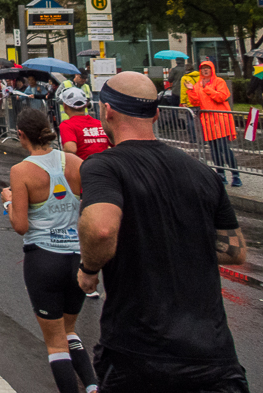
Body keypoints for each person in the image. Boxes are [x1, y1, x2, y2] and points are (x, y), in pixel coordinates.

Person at [76, 71, 248, 392]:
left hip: (140, 356)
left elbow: (100, 229)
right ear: (156, 113)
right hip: (213, 357)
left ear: (107, 111)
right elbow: (234, 250)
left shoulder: (104, 166)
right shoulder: (202, 172)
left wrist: (88, 271)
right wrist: (177, 238)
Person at [0, 109, 97, 393]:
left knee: (56, 343)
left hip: (43, 258)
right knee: (69, 331)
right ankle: (92, 387)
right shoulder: (76, 163)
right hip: (78, 259)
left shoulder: (21, 171)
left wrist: (7, 202)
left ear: (21, 135)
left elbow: (20, 225)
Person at [188, 59, 241, 187]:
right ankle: (220, 174)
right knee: (214, 149)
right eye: (202, 68)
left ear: (212, 69)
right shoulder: (198, 84)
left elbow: (222, 97)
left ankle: (235, 175)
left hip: (220, 119)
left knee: (223, 147)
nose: (205, 70)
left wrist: (207, 89)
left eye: (207, 68)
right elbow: (195, 102)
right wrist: (190, 90)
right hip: (207, 121)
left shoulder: (219, 82)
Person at [57, 88, 109, 161]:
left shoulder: (67, 125)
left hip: (82, 168)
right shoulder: (99, 124)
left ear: (65, 106)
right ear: (85, 105)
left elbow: (71, 149)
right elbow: (115, 144)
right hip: (104, 165)